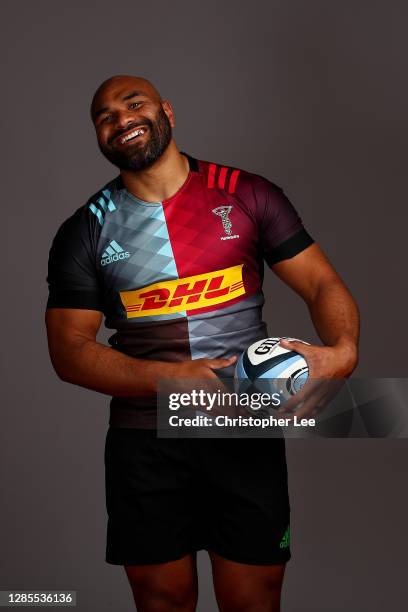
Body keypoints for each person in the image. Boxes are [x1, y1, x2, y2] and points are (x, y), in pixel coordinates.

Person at [45, 74, 359, 612]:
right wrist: (173, 382)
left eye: (133, 103)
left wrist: (344, 350)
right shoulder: (85, 230)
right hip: (147, 440)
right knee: (162, 600)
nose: (120, 119)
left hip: (243, 424)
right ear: (98, 135)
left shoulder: (246, 193)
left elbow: (321, 283)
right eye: (104, 116)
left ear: (166, 109)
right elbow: (69, 351)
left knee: (252, 600)